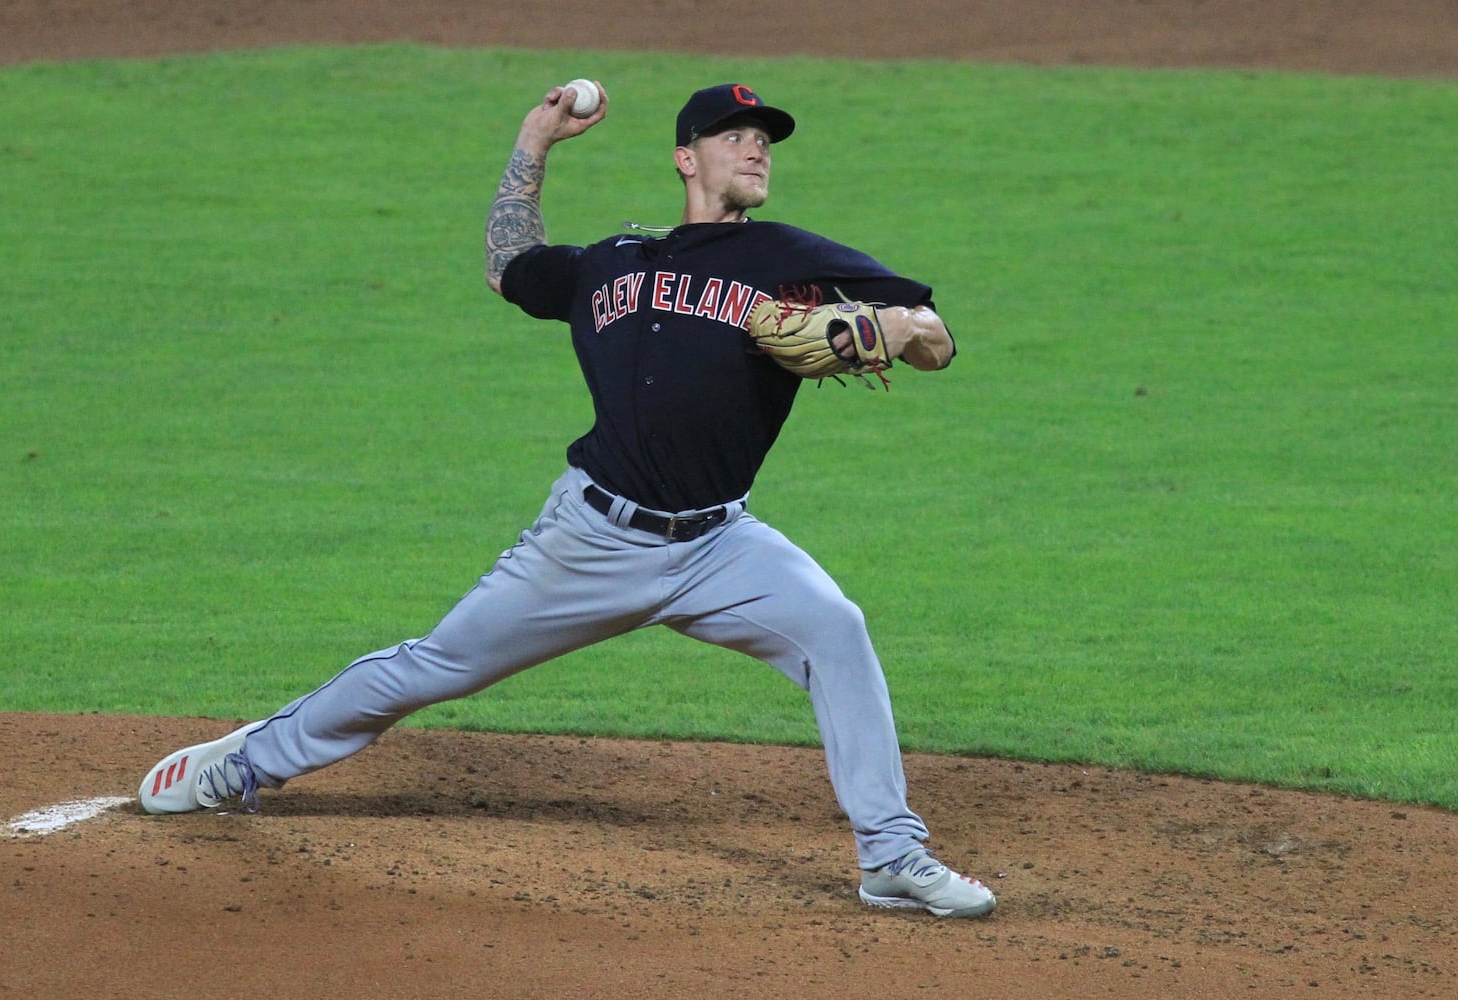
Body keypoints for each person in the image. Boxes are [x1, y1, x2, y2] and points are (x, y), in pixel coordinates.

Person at [139, 82, 996, 919]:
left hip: (719, 546)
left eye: (764, 138)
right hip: (589, 539)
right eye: (735, 135)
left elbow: (935, 335)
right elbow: (508, 266)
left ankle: (889, 855)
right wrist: (534, 145)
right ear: (684, 157)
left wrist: (893, 331)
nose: (756, 147)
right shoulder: (612, 264)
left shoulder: (790, 256)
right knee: (436, 665)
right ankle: (247, 761)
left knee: (836, 629)